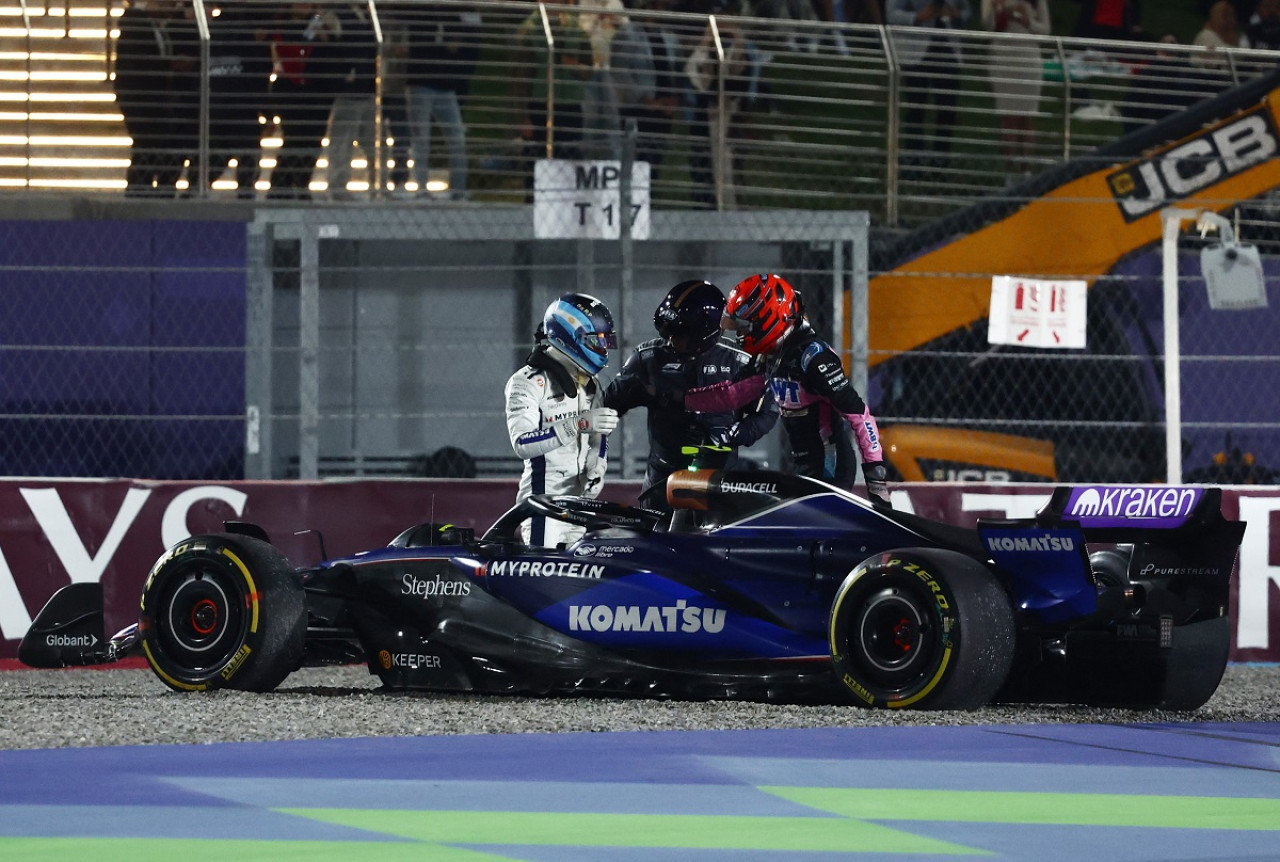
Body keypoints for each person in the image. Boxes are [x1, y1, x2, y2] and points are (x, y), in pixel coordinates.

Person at [697, 273, 889, 504]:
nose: (740, 335)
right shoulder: (772, 354)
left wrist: (876, 481)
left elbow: (860, 416)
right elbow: (736, 396)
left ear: (767, 319)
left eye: (744, 327)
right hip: (803, 466)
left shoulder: (814, 358)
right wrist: (686, 404)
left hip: (830, 469)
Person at [604, 280, 779, 511]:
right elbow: (607, 404)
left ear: (704, 333)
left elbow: (768, 412)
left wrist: (737, 433)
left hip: (719, 481)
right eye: (666, 331)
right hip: (662, 478)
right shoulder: (648, 359)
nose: (670, 339)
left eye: (679, 334)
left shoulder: (740, 362)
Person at [505, 293, 620, 548]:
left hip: (580, 505)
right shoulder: (526, 381)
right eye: (594, 341)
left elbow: (599, 436)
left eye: (605, 342)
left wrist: (598, 464)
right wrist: (578, 424)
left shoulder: (591, 383)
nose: (601, 349)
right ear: (568, 335)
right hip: (542, 505)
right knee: (542, 579)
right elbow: (522, 444)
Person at [885, 0, 973, 170]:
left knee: (947, 111)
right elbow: (892, 14)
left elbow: (967, 11)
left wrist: (958, 15)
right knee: (916, 108)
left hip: (948, 50)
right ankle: (913, 163)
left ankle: (940, 164)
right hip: (916, 50)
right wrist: (918, 17)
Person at [406, 2, 481, 199]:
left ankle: (458, 189)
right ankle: (421, 188)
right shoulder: (421, 11)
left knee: (456, 138)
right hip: (421, 83)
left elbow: (463, 42)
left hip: (445, 87)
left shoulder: (452, 12)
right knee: (421, 138)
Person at [114, 0, 183, 196]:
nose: (173, 9)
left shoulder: (153, 26)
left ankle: (146, 191)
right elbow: (141, 62)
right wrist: (170, 66)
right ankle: (139, 193)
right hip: (142, 100)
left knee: (153, 147)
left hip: (153, 99)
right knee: (147, 146)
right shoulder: (138, 25)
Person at [981, 0, 1050, 175]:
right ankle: (1010, 172)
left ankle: (1027, 169)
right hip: (1002, 59)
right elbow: (987, 26)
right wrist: (1000, 10)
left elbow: (1045, 30)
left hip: (1029, 59)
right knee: (1008, 119)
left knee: (1027, 118)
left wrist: (1027, 20)